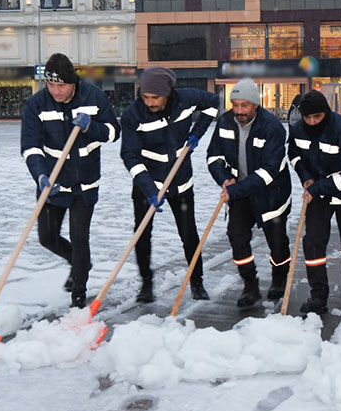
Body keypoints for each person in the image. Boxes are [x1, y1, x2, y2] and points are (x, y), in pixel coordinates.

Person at [20, 53, 120, 308]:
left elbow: (113, 133)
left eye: (61, 85)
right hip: (52, 183)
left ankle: (79, 292)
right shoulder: (36, 105)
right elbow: (30, 146)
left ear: (73, 82)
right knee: (47, 237)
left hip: (84, 184)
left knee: (79, 237)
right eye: (50, 84)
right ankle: (80, 262)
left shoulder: (93, 97)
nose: (56, 91)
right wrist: (40, 175)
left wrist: (91, 127)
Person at [120, 67, 220, 303]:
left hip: (181, 180)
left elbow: (213, 103)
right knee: (142, 234)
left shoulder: (185, 99)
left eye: (155, 97)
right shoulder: (133, 115)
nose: (150, 102)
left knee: (188, 234)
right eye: (146, 97)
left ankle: (197, 282)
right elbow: (130, 156)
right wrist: (149, 187)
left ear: (167, 93)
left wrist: (197, 132)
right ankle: (146, 284)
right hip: (148, 182)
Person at [207, 79, 292, 307]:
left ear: (255, 104)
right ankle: (250, 284)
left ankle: (279, 278)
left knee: (277, 241)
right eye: (235, 105)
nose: (239, 111)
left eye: (244, 105)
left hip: (271, 194)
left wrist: (235, 189)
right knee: (236, 236)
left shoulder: (272, 127)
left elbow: (269, 172)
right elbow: (214, 156)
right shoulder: (225, 121)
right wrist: (224, 179)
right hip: (240, 192)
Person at [288, 90, 341, 314]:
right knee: (313, 241)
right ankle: (318, 295)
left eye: (317, 117)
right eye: (307, 118)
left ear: (326, 113)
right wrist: (306, 177)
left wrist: (317, 187)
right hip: (318, 193)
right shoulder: (297, 130)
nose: (312, 122)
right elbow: (293, 155)